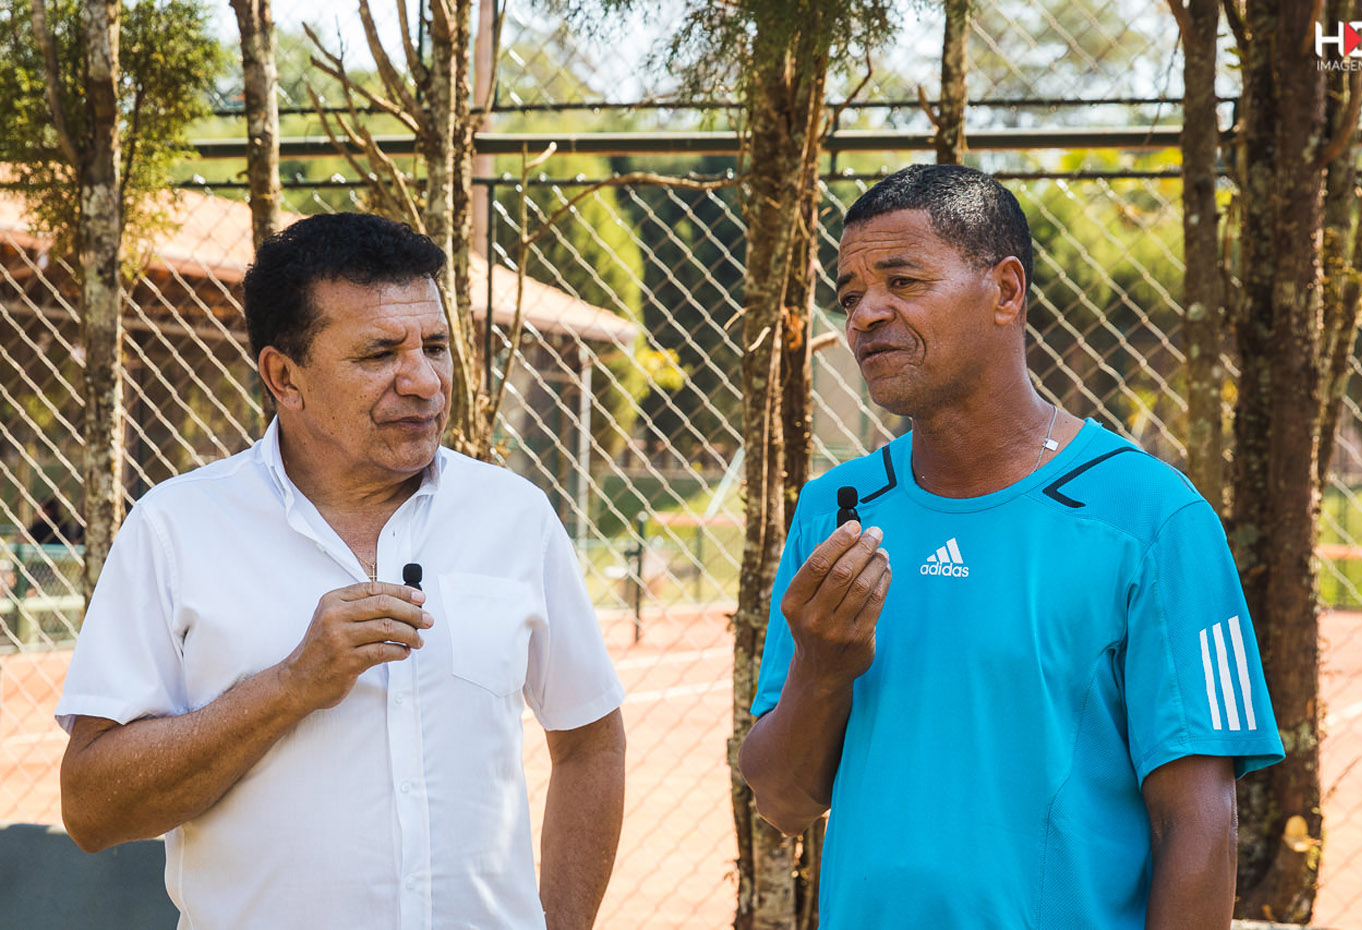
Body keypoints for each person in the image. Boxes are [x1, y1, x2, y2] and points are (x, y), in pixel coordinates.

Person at [738, 164, 1285, 930]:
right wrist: (822, 670)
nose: (865, 314)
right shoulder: (836, 512)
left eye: (902, 280)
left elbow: (1199, 825)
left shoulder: (1154, 517)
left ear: (1004, 291)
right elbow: (783, 800)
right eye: (850, 294)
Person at [55, 213, 626, 930]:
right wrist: (290, 686)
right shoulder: (174, 530)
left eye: (436, 346)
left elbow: (591, 744)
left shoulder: (515, 517)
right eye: (380, 353)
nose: (424, 381)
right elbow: (93, 810)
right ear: (284, 377)